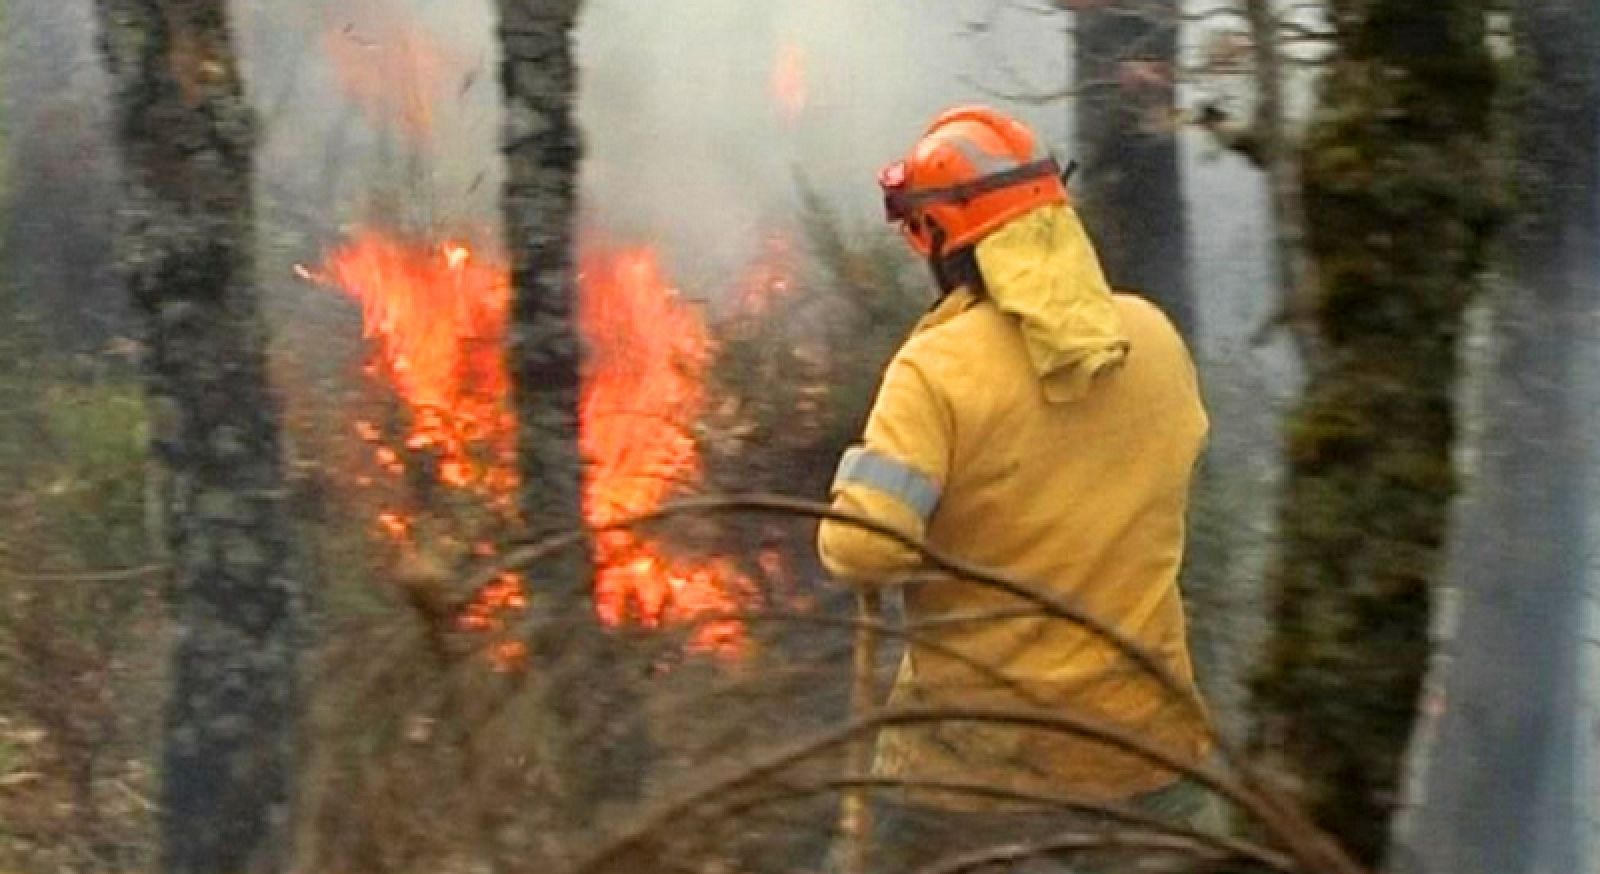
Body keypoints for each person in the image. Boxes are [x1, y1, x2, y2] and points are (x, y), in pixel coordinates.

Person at [816, 106, 1220, 871]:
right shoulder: (1153, 338)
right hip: (1147, 749)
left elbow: (863, 549)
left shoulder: (935, 371)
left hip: (978, 777)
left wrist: (857, 479)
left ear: (938, 238)